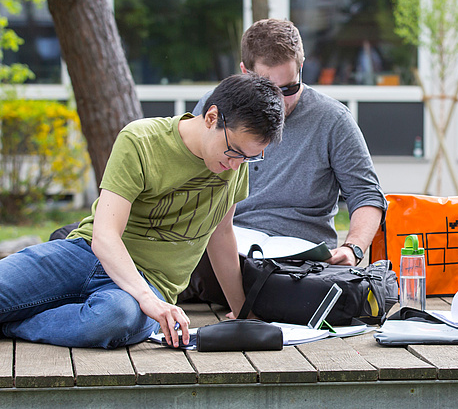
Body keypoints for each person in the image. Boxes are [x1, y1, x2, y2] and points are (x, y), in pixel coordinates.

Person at [0, 73, 285, 349]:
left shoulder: (234, 166)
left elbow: (221, 234)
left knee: (113, 318)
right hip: (85, 255)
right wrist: (145, 298)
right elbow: (105, 236)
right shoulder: (141, 139)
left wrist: (243, 311)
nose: (237, 164)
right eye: (234, 151)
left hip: (150, 283)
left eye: (249, 157)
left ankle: (11, 325)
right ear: (212, 118)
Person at [181, 18, 386, 305]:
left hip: (298, 262)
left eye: (289, 88)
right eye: (267, 88)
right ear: (244, 71)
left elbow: (366, 194)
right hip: (226, 249)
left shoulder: (333, 120)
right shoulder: (216, 107)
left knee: (300, 287)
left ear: (301, 66)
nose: (280, 102)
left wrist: (354, 249)